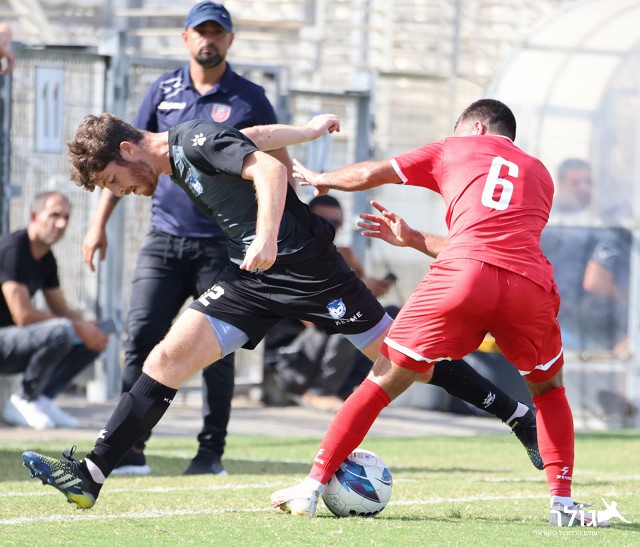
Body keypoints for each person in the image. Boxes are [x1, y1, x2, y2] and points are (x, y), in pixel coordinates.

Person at [23, 111, 539, 511]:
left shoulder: (191, 140)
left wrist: (266, 235)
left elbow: (266, 167)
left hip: (310, 270)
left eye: (113, 180)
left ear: (128, 149)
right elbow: (254, 138)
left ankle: (517, 415)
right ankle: (90, 476)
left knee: (405, 360)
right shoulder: (180, 154)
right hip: (251, 279)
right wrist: (307, 132)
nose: (121, 192)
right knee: (165, 360)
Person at [270, 99, 603, 527]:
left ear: (476, 128)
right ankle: (563, 504)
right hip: (528, 285)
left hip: (462, 279)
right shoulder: (540, 173)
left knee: (381, 380)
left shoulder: (453, 148)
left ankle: (312, 486)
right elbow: (495, 244)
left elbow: (372, 173)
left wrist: (322, 178)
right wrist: (413, 239)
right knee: (550, 391)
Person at [81, 1, 292, 476]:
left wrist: (282, 214)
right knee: (141, 336)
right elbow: (124, 154)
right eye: (201, 31)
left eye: (217, 32)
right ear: (186, 37)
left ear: (230, 39)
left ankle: (210, 453)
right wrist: (97, 224)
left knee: (216, 348)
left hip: (222, 242)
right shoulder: (163, 90)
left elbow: (274, 154)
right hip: (164, 237)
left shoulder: (251, 96)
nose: (208, 40)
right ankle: (130, 450)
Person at [263, 194, 395, 412]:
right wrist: (360, 284)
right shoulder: (291, 253)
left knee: (391, 316)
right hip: (290, 362)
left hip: (320, 351)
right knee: (349, 317)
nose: (332, 229)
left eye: (337, 223)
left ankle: (347, 388)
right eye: (324, 222)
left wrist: (357, 271)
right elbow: (313, 319)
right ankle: (321, 391)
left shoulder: (334, 257)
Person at [0, 192, 109, 429]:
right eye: (54, 215)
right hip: (4, 340)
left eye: (66, 217)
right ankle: (23, 400)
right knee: (62, 330)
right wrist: (76, 325)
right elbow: (23, 315)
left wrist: (88, 327)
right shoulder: (12, 249)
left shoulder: (46, 258)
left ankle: (41, 398)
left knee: (93, 336)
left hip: (14, 343)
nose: (61, 224)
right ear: (34, 216)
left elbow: (62, 309)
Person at [541, 159, 630, 355]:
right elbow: (595, 281)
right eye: (576, 182)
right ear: (561, 183)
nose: (584, 188)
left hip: (578, 316)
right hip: (554, 313)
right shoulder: (544, 218)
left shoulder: (596, 221)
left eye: (588, 182)